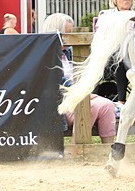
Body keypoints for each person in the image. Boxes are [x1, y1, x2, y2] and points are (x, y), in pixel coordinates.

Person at [42, 13, 116, 142]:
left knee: (107, 105)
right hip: (58, 102)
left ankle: (109, 150)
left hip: (77, 94)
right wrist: (81, 92)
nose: (71, 38)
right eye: (68, 34)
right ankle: (78, 148)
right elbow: (56, 81)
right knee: (89, 107)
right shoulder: (45, 55)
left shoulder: (70, 52)